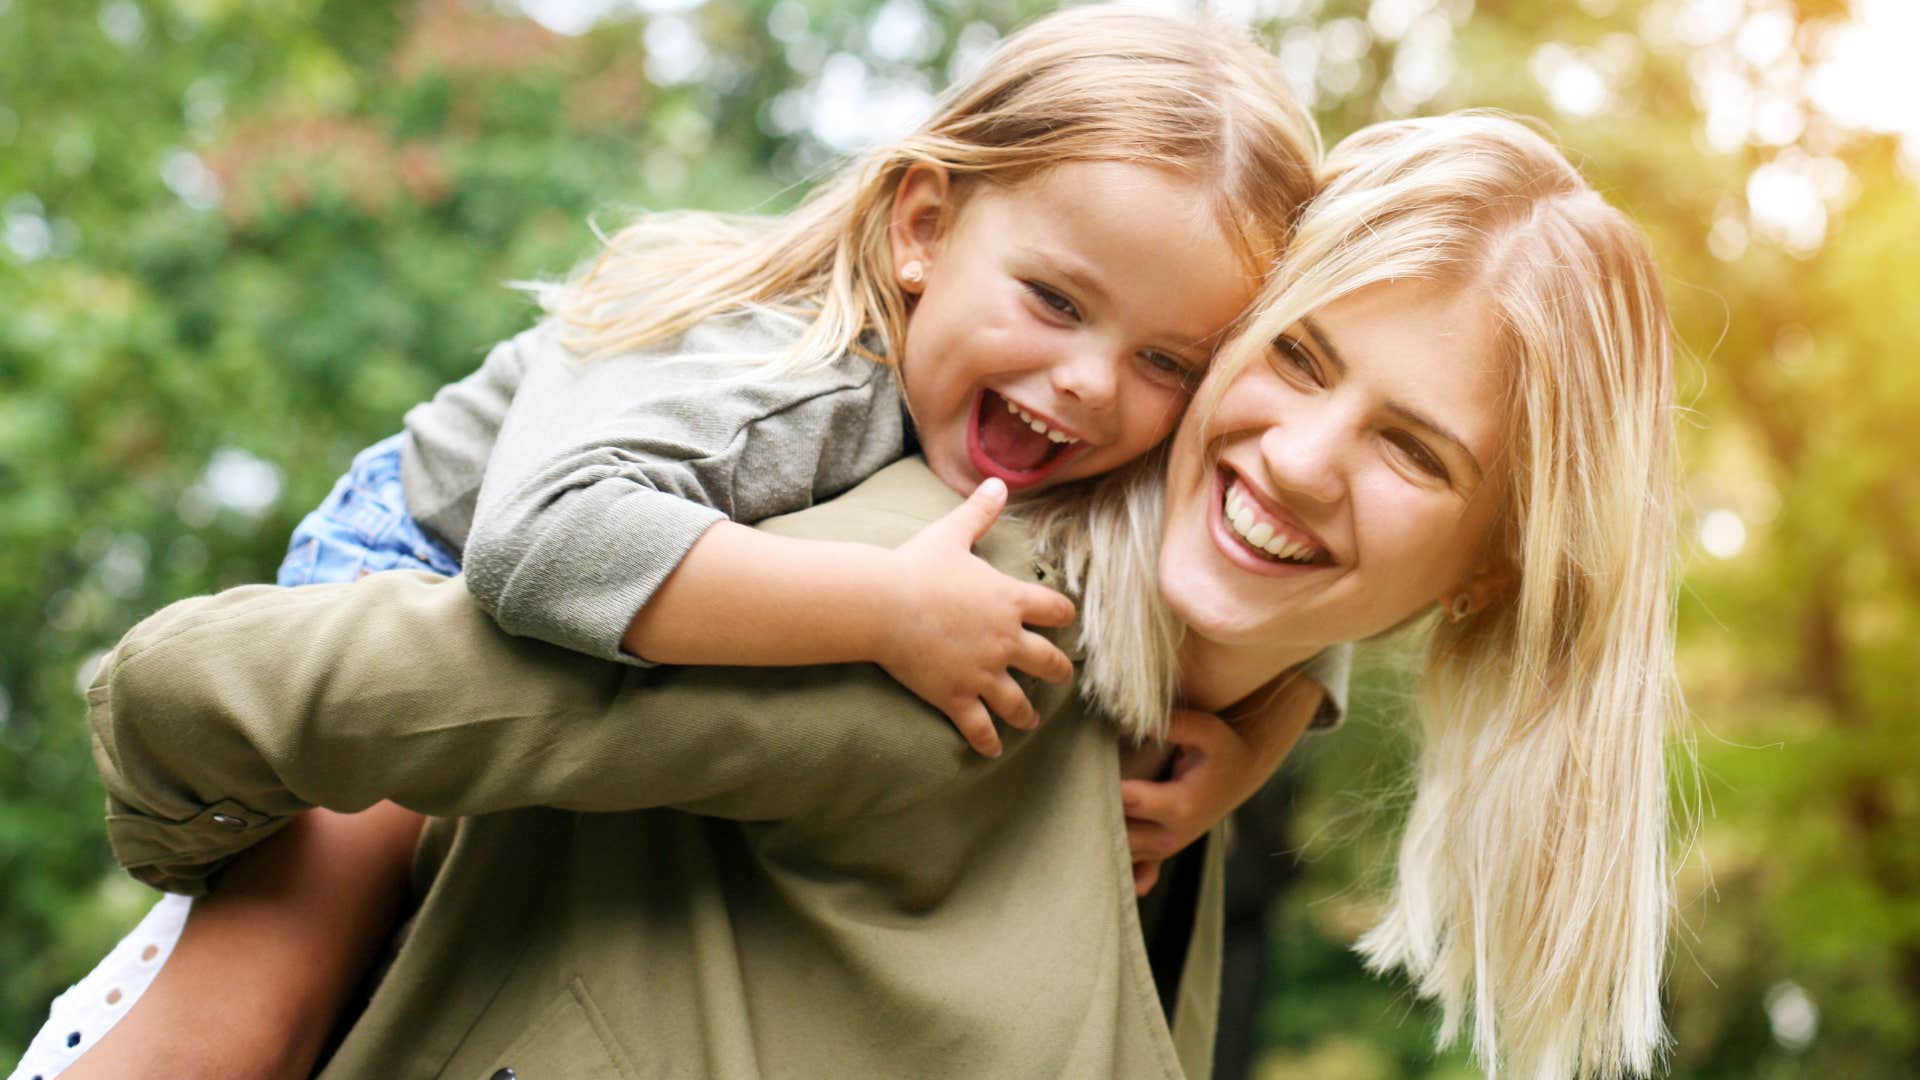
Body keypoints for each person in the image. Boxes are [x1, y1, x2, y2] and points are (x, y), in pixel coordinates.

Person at [62, 112, 1682, 1080]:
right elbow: (217, 686)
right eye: (1302, 361)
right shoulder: (936, 613)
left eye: (1413, 448)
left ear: (1490, 575)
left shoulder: (1182, 748)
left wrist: (1274, 716)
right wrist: (259, 860)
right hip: (480, 526)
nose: (1309, 456)